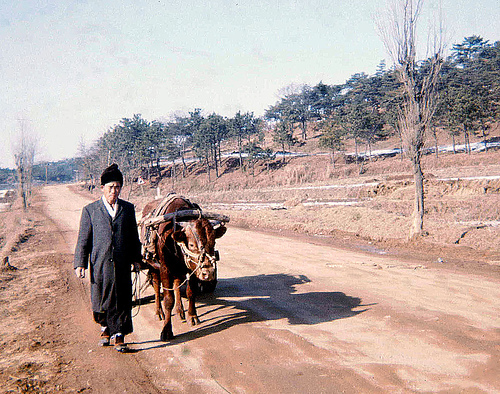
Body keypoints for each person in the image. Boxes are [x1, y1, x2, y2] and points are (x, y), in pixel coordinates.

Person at [74, 164, 142, 353]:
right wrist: (80, 263)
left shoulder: (127, 209)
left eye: (118, 186)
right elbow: (83, 239)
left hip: (121, 263)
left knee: (122, 298)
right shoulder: (90, 210)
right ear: (102, 188)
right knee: (101, 298)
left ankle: (119, 335)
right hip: (100, 264)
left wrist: (136, 258)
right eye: (111, 187)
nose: (114, 191)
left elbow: (133, 237)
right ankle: (105, 329)